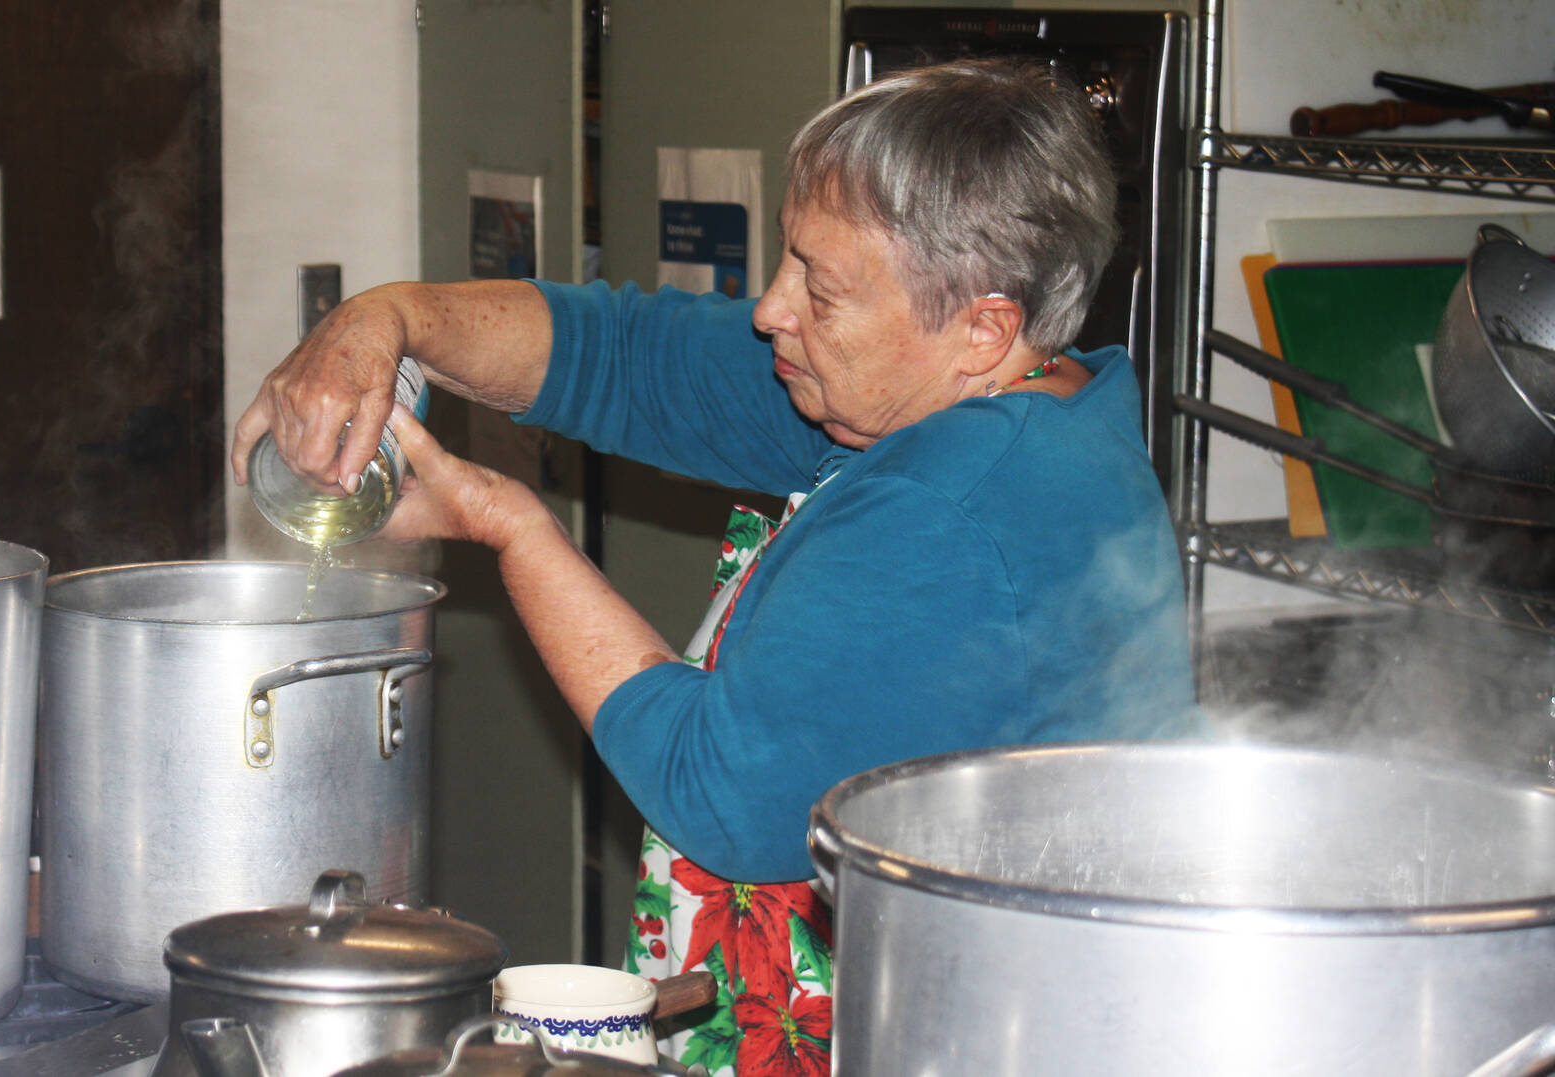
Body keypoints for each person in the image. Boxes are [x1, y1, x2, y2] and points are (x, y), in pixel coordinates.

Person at [232, 57, 1200, 1077]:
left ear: (981, 327)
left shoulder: (951, 510)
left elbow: (720, 794)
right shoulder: (1000, 398)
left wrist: (506, 525)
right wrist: (386, 321)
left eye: (818, 290)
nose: (769, 309)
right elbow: (626, 357)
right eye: (788, 259)